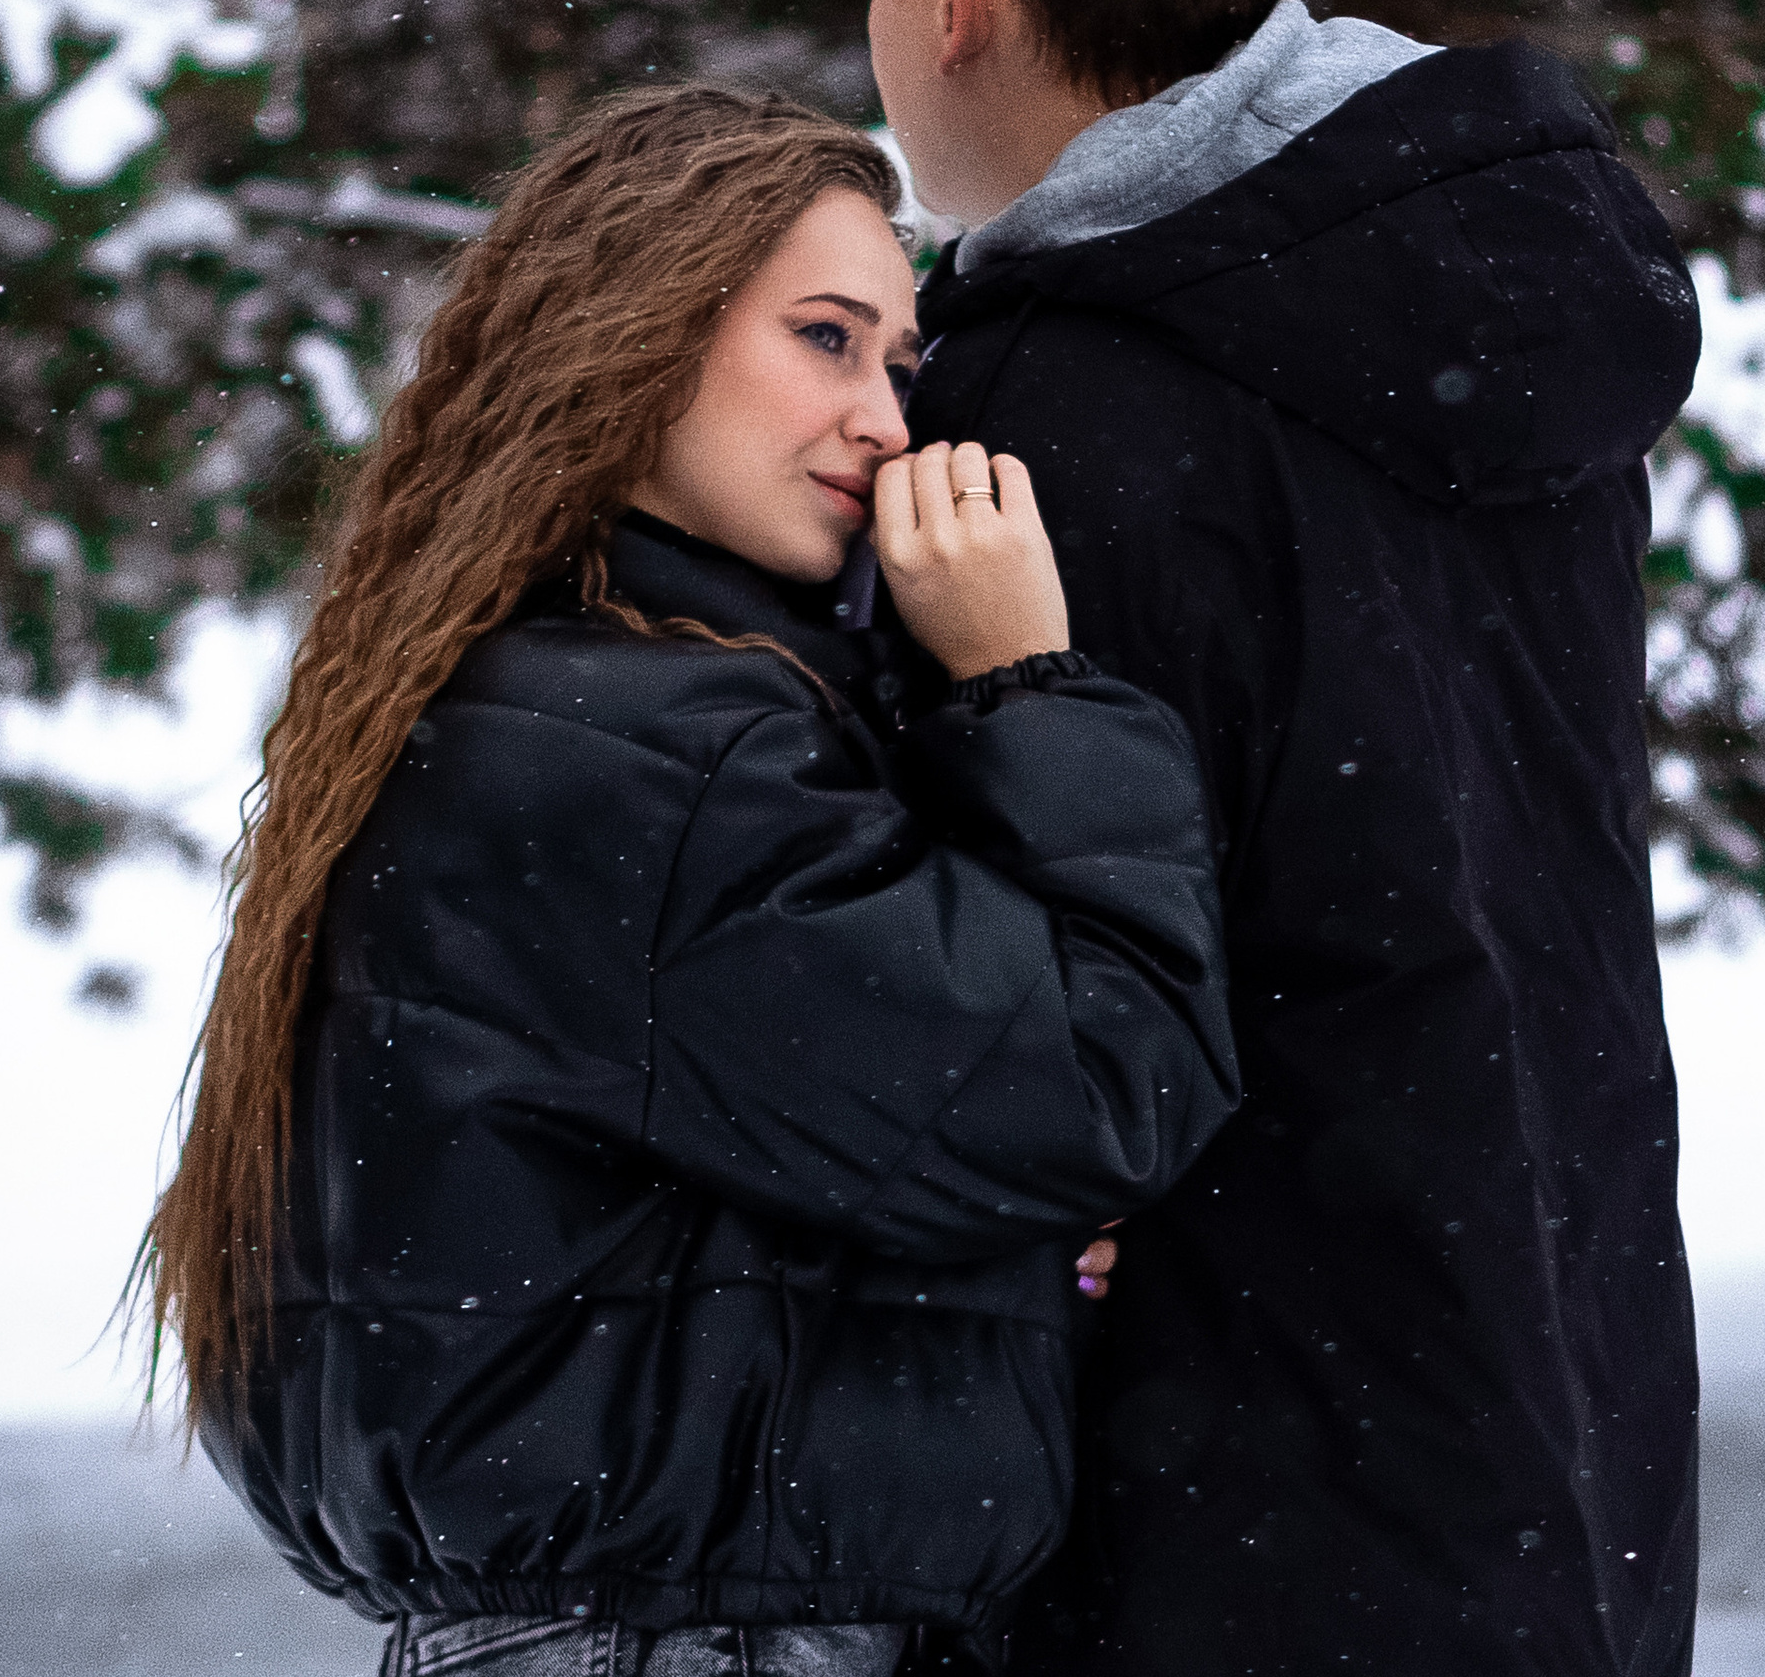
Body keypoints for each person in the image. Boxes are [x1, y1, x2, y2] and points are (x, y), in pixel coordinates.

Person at [146, 86, 1239, 1677]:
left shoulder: (541, 708)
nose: (885, 421)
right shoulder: (650, 759)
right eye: (826, 339)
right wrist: (1025, 679)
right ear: (634, 333)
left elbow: (775, 1171)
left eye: (899, 366)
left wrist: (1014, 1244)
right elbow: (1102, 1083)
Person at [864, 0, 1705, 1676]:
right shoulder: (1489, 287)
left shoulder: (1033, 425)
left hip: (1231, 1482)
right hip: (1553, 1404)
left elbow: (988, 1028)